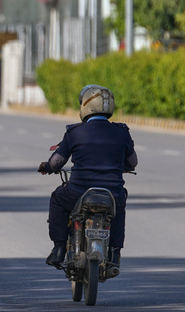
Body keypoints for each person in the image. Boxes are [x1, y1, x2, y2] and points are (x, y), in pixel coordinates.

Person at [38, 84, 138, 274]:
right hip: (112, 194)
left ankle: (59, 248)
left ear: (86, 106)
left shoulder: (74, 132)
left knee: (58, 199)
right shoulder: (122, 132)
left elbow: (57, 162)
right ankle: (115, 253)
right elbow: (133, 161)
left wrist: (46, 167)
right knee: (120, 207)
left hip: (78, 192)